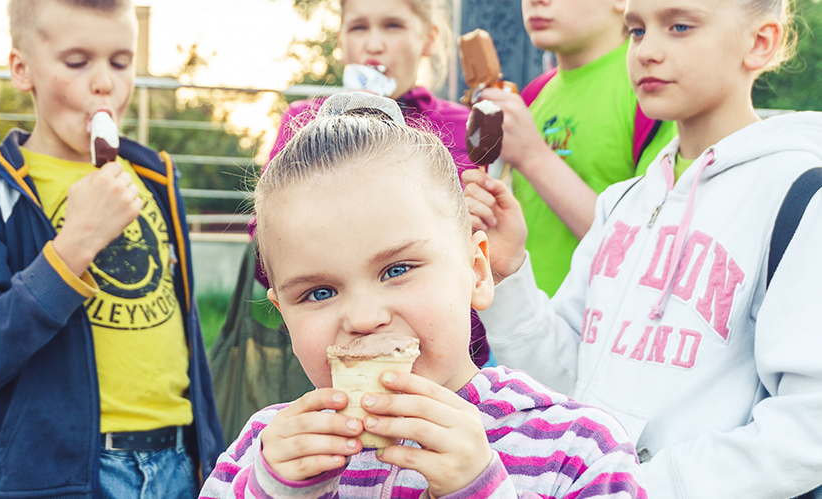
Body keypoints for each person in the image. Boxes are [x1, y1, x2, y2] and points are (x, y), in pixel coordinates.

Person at [198, 92, 647, 499]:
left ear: (477, 271)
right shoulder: (260, 453)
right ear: (284, 314)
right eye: (318, 293)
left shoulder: (577, 450)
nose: (364, 316)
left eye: (396, 269)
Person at [463, 0, 822, 496]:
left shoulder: (801, 197)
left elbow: (808, 430)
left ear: (760, 42)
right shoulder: (622, 203)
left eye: (679, 26)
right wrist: (507, 274)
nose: (647, 51)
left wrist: (637, 484)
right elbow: (564, 383)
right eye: (635, 30)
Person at [0, 1, 224, 497]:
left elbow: (186, 341)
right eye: (77, 62)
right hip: (65, 475)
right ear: (22, 69)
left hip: (182, 463)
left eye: (120, 62)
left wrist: (213, 451)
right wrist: (72, 247)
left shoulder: (155, 181)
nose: (104, 83)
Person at [254, 0, 493, 367]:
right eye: (359, 27)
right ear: (341, 39)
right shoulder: (305, 126)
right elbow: (269, 256)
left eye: (392, 26)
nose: (374, 44)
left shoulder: (462, 124)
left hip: (458, 354)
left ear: (428, 38)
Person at [476, 0, 676, 296]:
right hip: (523, 322)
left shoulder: (652, 88)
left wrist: (533, 156)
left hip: (602, 325)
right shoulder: (533, 95)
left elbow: (648, 250)